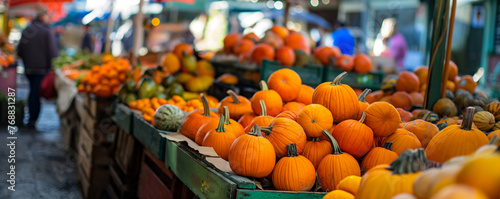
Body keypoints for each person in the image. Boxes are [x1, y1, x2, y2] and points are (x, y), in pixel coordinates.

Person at [17, 8, 58, 128]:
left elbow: (19, 50)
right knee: (35, 93)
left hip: (29, 68)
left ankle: (31, 117)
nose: (48, 18)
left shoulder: (27, 30)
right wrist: (52, 66)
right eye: (47, 16)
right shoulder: (46, 31)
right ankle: (32, 118)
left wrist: (27, 61)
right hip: (41, 69)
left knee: (33, 91)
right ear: (42, 17)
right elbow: (52, 51)